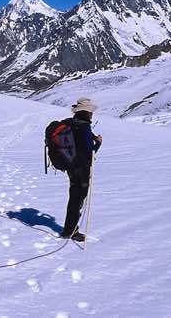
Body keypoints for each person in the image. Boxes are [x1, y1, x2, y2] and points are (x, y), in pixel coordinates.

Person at [61, 97, 103, 241]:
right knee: (78, 199)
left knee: (73, 196)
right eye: (90, 112)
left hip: (71, 166)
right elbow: (89, 150)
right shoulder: (84, 126)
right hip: (82, 167)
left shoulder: (71, 123)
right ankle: (70, 231)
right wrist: (98, 144)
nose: (92, 114)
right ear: (86, 112)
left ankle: (69, 228)